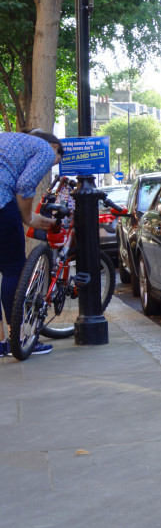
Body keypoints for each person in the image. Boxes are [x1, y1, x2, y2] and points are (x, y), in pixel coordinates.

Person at [1, 128, 63, 357]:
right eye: (54, 163)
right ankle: (17, 340)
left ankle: (0, 343)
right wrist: (29, 219)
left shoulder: (7, 138)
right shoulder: (45, 150)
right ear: (55, 148)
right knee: (12, 270)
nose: (49, 166)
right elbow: (25, 186)